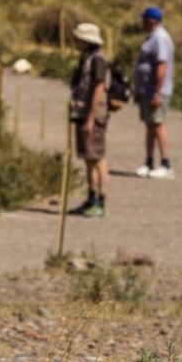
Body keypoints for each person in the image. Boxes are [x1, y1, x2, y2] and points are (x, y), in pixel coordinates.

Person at [68, 22, 110, 218]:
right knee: (88, 158)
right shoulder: (86, 59)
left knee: (97, 158)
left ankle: (101, 200)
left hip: (92, 116)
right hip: (82, 114)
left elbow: (99, 88)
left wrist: (91, 118)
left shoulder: (98, 60)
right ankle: (91, 197)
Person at [133, 6, 175, 179]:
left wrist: (157, 92)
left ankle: (166, 164)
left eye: (144, 19)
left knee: (158, 123)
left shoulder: (160, 38)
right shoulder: (151, 37)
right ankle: (149, 161)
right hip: (147, 89)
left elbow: (162, 65)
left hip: (156, 90)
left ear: (150, 21)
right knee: (150, 124)